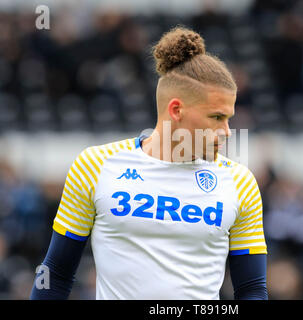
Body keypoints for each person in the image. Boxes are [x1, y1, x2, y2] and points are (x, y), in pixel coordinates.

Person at [30, 27, 268, 300]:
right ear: (176, 110)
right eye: (216, 118)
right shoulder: (96, 165)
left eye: (228, 118)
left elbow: (251, 289)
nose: (227, 131)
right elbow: (56, 272)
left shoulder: (239, 182)